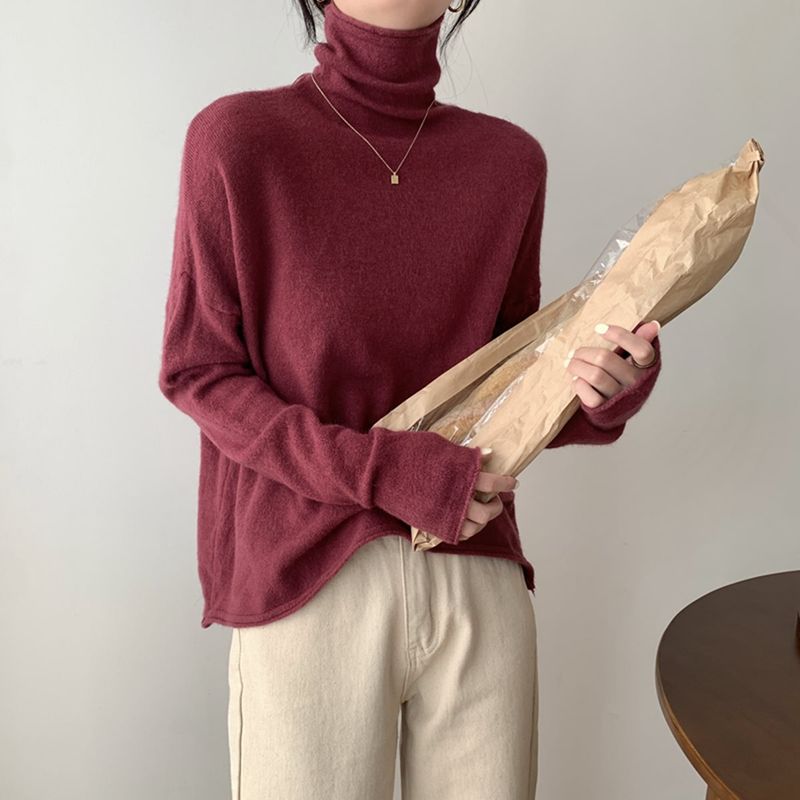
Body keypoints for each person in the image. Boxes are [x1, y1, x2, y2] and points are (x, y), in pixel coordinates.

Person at [157, 0, 662, 796]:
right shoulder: (239, 141)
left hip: (476, 577)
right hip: (308, 579)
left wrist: (604, 389)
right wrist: (385, 473)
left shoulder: (508, 163)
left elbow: (509, 385)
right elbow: (201, 373)